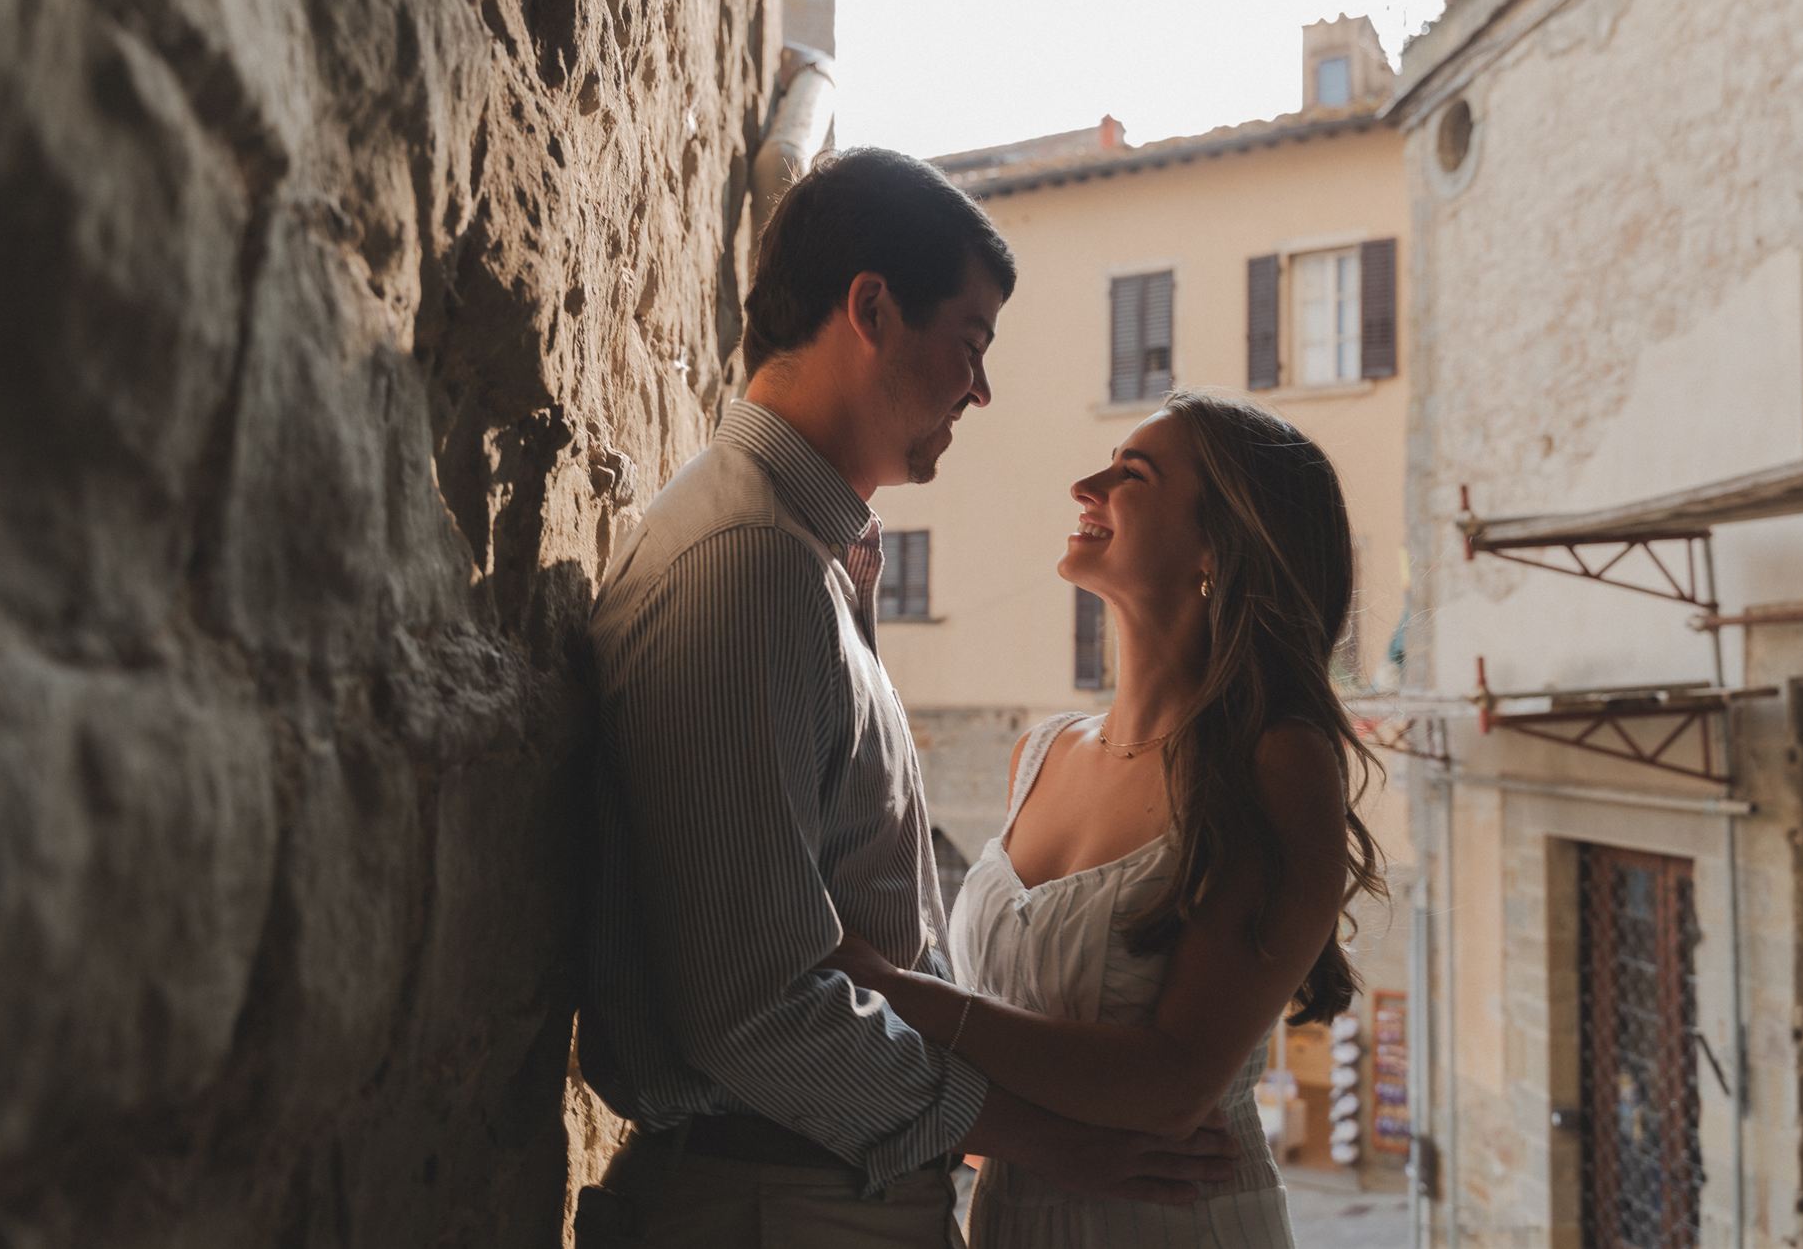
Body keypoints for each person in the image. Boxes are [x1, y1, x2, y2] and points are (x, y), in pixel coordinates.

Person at [575, 149, 1238, 1249]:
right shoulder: (750, 567)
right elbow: (752, 1009)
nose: (979, 390)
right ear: (870, 309)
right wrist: (1035, 1136)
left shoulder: (805, 557)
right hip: (775, 1204)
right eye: (968, 345)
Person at [824, 388, 1386, 1247]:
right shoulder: (1039, 753)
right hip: (1013, 1215)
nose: (1086, 483)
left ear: (1216, 541)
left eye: (1133, 473)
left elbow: (1174, 1083)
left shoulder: (1273, 765)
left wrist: (906, 995)